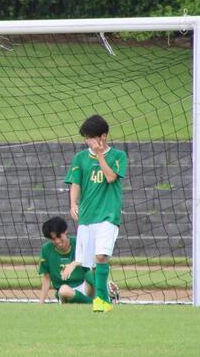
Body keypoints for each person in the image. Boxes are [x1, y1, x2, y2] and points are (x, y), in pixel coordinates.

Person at [62, 115, 127, 312]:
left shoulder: (118, 156)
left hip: (107, 215)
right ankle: (105, 297)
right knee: (87, 264)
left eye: (90, 137)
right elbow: (76, 182)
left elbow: (110, 177)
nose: (87, 142)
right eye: (86, 138)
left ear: (103, 137)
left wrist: (100, 156)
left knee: (101, 256)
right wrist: (73, 203)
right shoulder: (80, 158)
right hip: (87, 217)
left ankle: (102, 301)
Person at [39, 216, 95, 304]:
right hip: (64, 292)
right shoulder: (46, 249)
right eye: (53, 239)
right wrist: (41, 303)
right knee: (63, 290)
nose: (57, 241)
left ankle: (106, 294)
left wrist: (74, 264)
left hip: (85, 288)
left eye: (58, 236)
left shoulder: (78, 243)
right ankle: (94, 303)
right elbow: (46, 278)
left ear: (65, 231)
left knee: (92, 273)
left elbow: (92, 263)